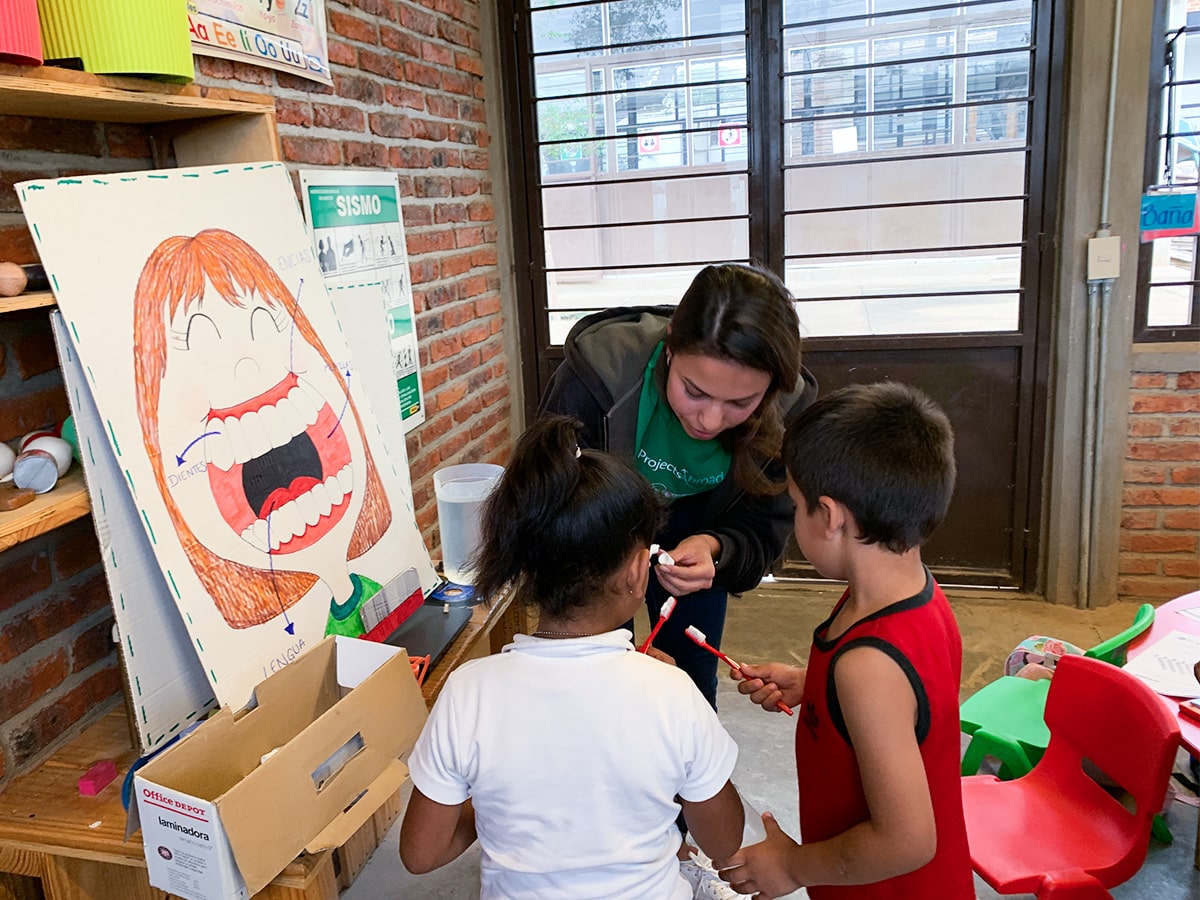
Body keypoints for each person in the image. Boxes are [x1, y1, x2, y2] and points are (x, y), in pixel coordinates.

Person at [398, 415, 747, 899]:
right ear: (636, 572)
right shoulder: (671, 691)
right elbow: (724, 840)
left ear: (524, 567)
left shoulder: (467, 691)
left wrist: (499, 799)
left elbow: (420, 854)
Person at [719, 382, 973, 899]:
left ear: (831, 517)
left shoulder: (868, 665)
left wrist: (792, 866)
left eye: (796, 505)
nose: (794, 518)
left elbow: (907, 840)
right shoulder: (910, 593)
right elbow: (911, 707)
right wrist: (815, 685)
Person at [538, 263, 818, 710]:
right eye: (694, 391)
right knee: (597, 683)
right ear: (670, 347)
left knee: (690, 686)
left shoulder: (786, 411)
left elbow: (764, 532)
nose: (709, 420)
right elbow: (548, 500)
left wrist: (716, 550)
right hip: (596, 542)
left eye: (740, 403)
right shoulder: (596, 379)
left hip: (697, 542)